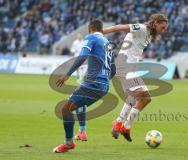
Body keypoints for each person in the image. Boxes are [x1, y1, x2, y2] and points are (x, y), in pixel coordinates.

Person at [103, 13, 168, 142]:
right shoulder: (142, 28)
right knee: (144, 97)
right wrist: (102, 31)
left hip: (131, 67)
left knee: (141, 98)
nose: (164, 31)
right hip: (124, 65)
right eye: (163, 27)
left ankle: (123, 125)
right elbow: (120, 27)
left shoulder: (149, 33)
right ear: (156, 23)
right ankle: (121, 124)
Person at [53, 19, 114, 153]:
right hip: (103, 85)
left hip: (93, 83)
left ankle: (69, 143)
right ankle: (82, 131)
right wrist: (104, 80)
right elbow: (113, 68)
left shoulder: (91, 37)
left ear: (90, 28)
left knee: (65, 110)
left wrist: (68, 74)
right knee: (76, 104)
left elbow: (82, 56)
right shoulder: (108, 43)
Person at [70, 32, 87, 141]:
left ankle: (69, 140)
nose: (79, 37)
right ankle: (82, 132)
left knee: (74, 103)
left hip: (85, 65)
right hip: (81, 63)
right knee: (79, 103)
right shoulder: (75, 42)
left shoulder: (86, 43)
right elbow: (72, 51)